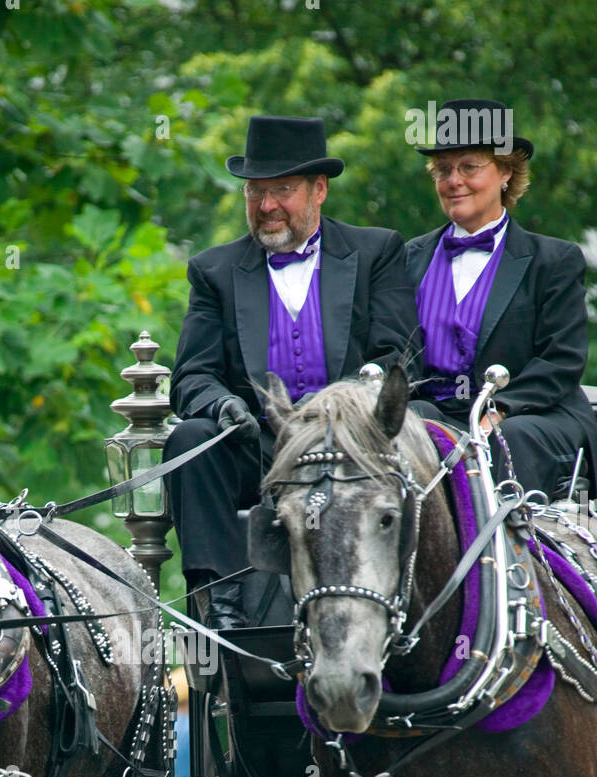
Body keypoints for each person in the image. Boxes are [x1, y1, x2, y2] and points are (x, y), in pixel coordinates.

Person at [165, 114, 420, 628]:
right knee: (189, 440)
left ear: (319, 190)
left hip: (354, 450)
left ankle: (415, 596)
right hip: (262, 450)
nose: (266, 206)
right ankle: (222, 598)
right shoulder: (214, 271)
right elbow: (192, 376)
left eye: (282, 189)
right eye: (255, 192)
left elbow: (396, 353)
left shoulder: (376, 252)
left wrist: (355, 402)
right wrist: (222, 405)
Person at [406, 97, 597, 499]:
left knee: (503, 441)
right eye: (443, 170)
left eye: (469, 167)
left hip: (530, 417)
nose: (453, 180)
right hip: (440, 413)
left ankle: (514, 560)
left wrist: (497, 410)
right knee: (409, 431)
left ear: (506, 172)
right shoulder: (406, 259)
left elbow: (561, 361)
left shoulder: (554, 260)